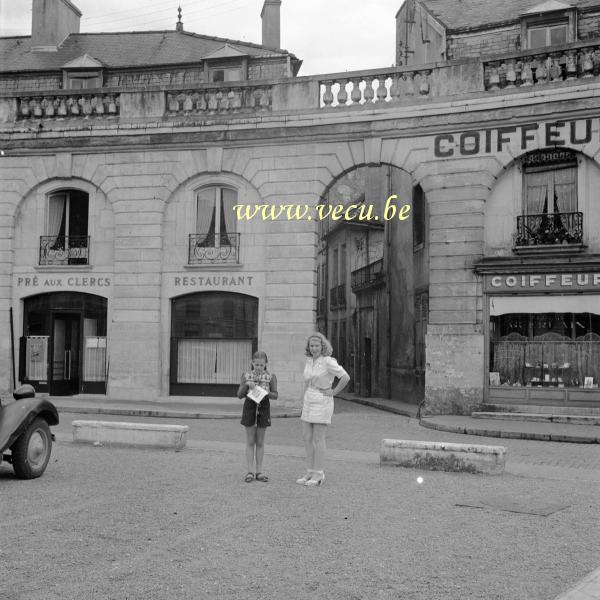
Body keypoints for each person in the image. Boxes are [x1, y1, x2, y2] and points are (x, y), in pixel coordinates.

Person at [296, 332, 350, 487]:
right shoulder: (309, 361)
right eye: (311, 346)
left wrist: (333, 392)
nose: (314, 349)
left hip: (322, 400)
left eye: (317, 346)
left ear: (322, 346)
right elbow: (307, 381)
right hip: (309, 400)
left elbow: (345, 377)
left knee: (319, 438)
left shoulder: (328, 361)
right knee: (306, 437)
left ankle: (319, 474)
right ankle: (310, 471)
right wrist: (303, 399)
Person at [238, 351, 278, 483]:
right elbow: (239, 395)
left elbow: (275, 395)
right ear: (252, 363)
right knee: (250, 441)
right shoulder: (246, 375)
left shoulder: (271, 376)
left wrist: (266, 392)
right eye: (256, 365)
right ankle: (250, 471)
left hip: (264, 406)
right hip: (249, 406)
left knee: (260, 442)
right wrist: (246, 385)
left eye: (261, 365)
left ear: (266, 364)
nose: (259, 367)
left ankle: (259, 472)